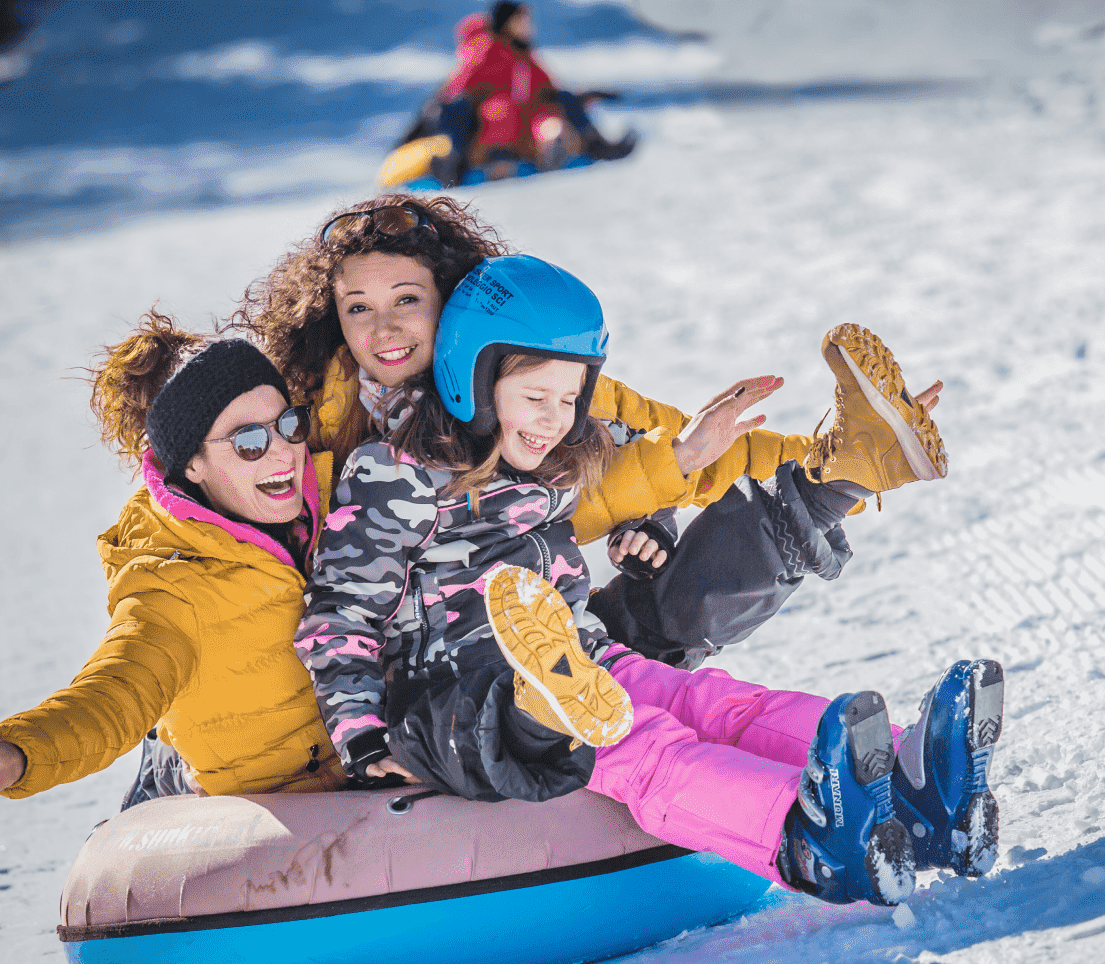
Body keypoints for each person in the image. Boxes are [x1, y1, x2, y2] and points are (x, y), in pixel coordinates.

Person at [298, 253, 1004, 906]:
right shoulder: (392, 475)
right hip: (465, 701)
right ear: (475, 381)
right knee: (640, 746)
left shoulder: (559, 448)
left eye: (570, 399)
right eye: (535, 397)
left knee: (713, 704)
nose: (555, 418)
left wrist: (656, 524)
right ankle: (803, 835)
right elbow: (340, 615)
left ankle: (916, 788)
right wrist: (362, 738)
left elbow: (654, 466)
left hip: (577, 658)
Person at [234, 193, 950, 675]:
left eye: (408, 301)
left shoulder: (530, 376)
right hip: (390, 671)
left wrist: (663, 510)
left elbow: (687, 447)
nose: (383, 328)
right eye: (358, 307)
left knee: (647, 609)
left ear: (452, 299)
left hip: (519, 628)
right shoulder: (308, 417)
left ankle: (845, 473)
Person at [0, 319, 355, 818]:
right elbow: (116, 690)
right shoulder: (171, 584)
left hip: (380, 767)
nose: (282, 450)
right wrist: (22, 754)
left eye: (288, 425)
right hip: (287, 805)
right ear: (192, 465)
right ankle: (164, 769)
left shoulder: (342, 495)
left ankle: (166, 757)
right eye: (248, 442)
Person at [418, 1, 638, 184]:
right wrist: (446, 101)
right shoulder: (488, 52)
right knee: (500, 110)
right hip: (492, 126)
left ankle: (582, 145)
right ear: (507, 24)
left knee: (556, 107)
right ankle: (463, 163)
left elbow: (548, 87)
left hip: (526, 122)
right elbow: (460, 84)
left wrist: (582, 97)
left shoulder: (525, 56)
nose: (529, 26)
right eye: (523, 21)